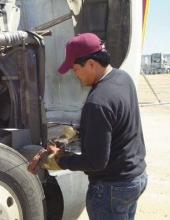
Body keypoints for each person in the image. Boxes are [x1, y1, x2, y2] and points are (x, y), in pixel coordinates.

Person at [28, 33, 147, 220]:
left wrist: (58, 161)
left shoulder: (98, 101)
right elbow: (113, 124)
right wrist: (66, 138)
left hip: (111, 188)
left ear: (91, 63)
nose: (75, 75)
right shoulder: (123, 79)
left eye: (75, 69)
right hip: (135, 178)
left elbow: (95, 162)